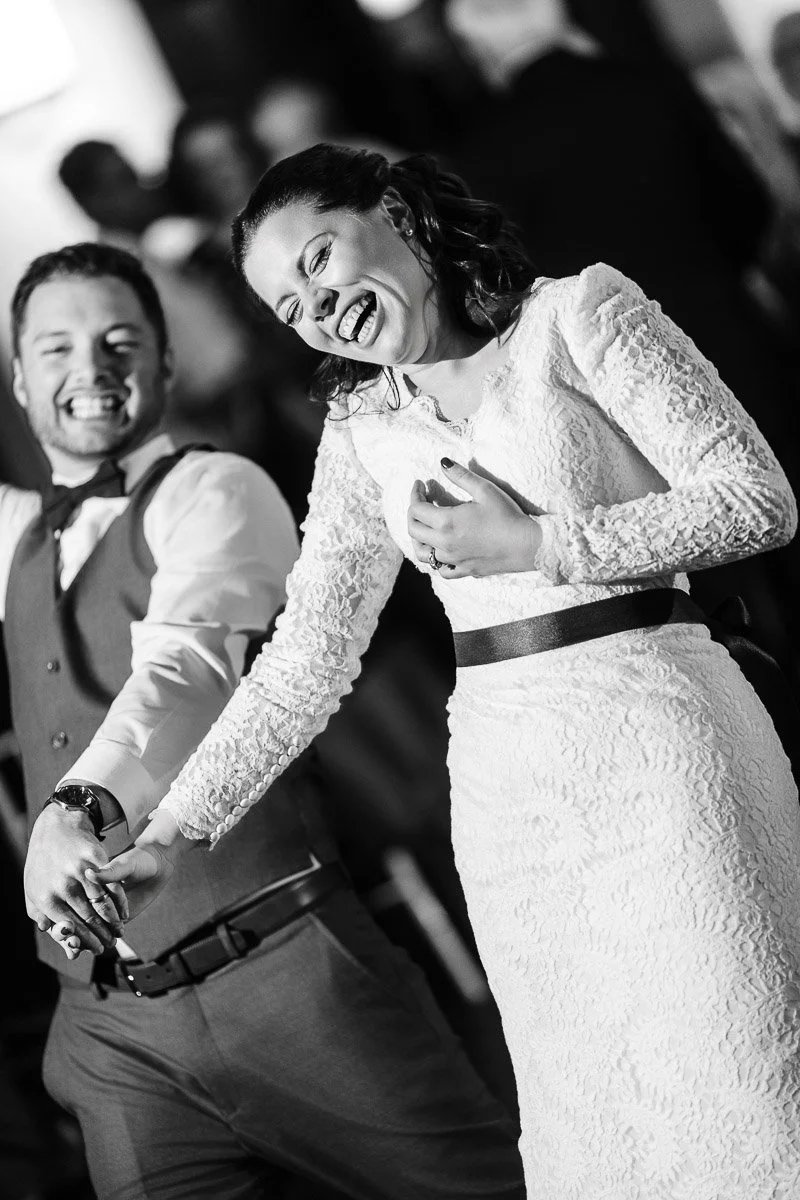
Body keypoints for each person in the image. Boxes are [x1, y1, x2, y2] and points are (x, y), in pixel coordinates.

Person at [80, 144, 800, 1198]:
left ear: (396, 213)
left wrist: (542, 546)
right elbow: (302, 663)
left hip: (666, 738)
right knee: (598, 1107)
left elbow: (755, 498)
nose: (319, 306)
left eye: (319, 259)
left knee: (737, 1064)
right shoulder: (363, 427)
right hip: (512, 797)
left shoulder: (580, 315)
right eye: (289, 307)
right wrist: (173, 833)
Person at [5, 241, 526, 1200]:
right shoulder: (15, 536)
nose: (92, 368)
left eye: (120, 341)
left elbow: (188, 670)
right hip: (113, 1027)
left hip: (283, 970)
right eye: (57, 348)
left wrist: (80, 807)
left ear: (164, 365)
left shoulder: (217, 487)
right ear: (20, 376)